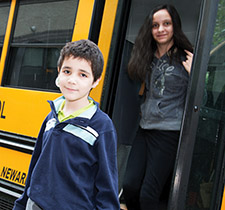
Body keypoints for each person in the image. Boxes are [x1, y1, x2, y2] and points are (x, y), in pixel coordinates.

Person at [13, 39, 120, 210]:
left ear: (96, 81)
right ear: (58, 72)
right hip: (35, 205)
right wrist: (21, 203)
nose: (72, 80)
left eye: (83, 75)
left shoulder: (101, 126)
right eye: (67, 71)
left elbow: (107, 185)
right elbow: (35, 166)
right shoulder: (51, 117)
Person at [122, 4, 193, 210]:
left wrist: (194, 75)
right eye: (155, 25)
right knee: (129, 186)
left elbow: (202, 98)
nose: (161, 29)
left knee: (149, 195)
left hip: (168, 133)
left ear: (175, 27)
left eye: (166, 24)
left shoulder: (185, 58)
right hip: (144, 129)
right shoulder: (147, 57)